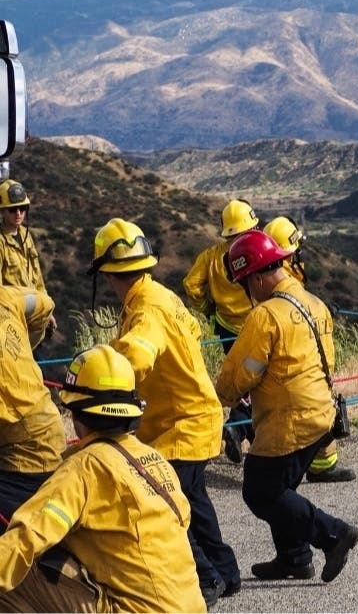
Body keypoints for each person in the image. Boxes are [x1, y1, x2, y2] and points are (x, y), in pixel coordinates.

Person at [88, 218, 240, 607]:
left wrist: (97, 382)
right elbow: (195, 329)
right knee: (194, 499)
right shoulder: (159, 295)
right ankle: (227, 570)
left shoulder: (145, 310)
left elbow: (138, 354)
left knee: (167, 504)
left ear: (107, 275)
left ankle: (207, 578)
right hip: (196, 416)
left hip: (180, 425)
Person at [0, 345, 205, 613]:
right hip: (190, 607)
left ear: (75, 413)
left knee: (22, 573)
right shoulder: (154, 460)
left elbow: (28, 536)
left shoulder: (84, 469)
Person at [216, 229, 358, 583]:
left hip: (289, 421)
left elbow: (240, 374)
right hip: (321, 414)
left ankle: (333, 534)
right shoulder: (315, 304)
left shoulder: (266, 316)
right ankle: (293, 558)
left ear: (259, 275)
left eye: (245, 283)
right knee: (283, 488)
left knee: (261, 490)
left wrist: (222, 397)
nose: (246, 292)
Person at [263, 215, 356, 484]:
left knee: (319, 405)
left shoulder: (280, 277)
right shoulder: (283, 278)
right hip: (300, 365)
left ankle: (322, 465)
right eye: (297, 251)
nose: (300, 258)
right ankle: (304, 469)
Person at [184, 198, 259, 464]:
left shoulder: (211, 256)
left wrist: (208, 309)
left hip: (227, 331)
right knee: (258, 383)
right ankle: (239, 428)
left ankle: (241, 431)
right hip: (258, 329)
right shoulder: (256, 250)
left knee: (242, 383)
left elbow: (191, 285)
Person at [0, 283, 63, 528]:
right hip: (50, 431)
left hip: (27, 462)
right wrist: (25, 345)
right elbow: (43, 303)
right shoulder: (6, 298)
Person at [0, 179, 57, 337]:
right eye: (12, 209)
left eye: (22, 208)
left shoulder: (26, 235)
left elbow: (37, 278)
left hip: (33, 318)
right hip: (13, 321)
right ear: (3, 211)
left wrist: (47, 312)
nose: (18, 213)